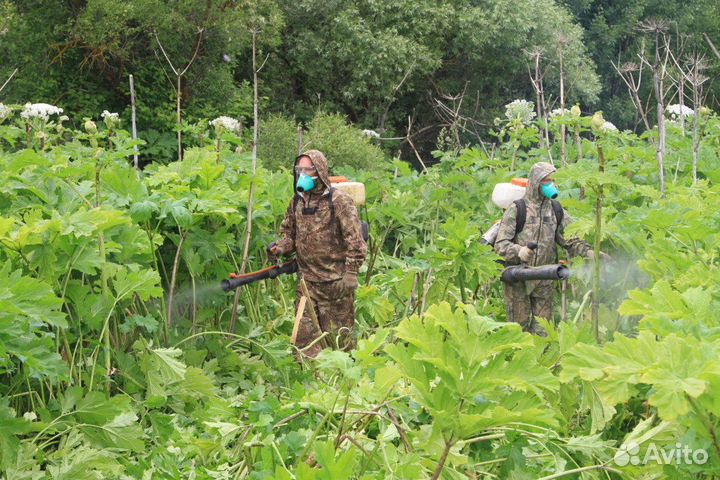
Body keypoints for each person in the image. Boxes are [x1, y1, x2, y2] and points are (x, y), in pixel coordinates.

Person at [269, 150, 367, 356]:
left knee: (339, 342)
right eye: (299, 169)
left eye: (308, 169)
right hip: (307, 285)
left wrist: (351, 273)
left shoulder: (339, 201)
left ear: (320, 171)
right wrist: (279, 248)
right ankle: (310, 379)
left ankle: (344, 383)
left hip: (336, 284)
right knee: (303, 341)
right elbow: (289, 235)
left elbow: (355, 240)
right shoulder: (296, 202)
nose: (303, 174)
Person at [494, 162, 609, 335]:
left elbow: (570, 239)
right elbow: (500, 245)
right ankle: (519, 359)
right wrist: (520, 251)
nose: (550, 185)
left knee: (543, 330)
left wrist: (590, 253)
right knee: (518, 330)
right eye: (545, 181)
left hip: (544, 277)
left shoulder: (556, 209)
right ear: (535, 182)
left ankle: (541, 360)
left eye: (551, 181)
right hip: (518, 277)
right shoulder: (517, 209)